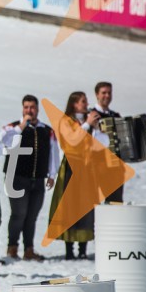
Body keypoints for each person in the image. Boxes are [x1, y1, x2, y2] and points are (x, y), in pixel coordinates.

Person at [0, 95, 59, 261]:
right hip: (17, 177)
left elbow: (53, 153)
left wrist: (52, 174)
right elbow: (4, 140)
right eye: (26, 107)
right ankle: (12, 247)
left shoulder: (47, 130)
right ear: (22, 109)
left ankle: (29, 249)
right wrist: (21, 127)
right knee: (19, 213)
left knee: (32, 215)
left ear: (37, 109)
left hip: (38, 178)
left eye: (32, 107)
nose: (29, 110)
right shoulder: (12, 127)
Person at [48, 92, 99, 260]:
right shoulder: (66, 121)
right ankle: (69, 249)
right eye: (83, 101)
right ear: (74, 104)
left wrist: (94, 127)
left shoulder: (90, 121)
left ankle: (83, 247)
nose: (86, 104)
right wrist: (87, 125)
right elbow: (72, 140)